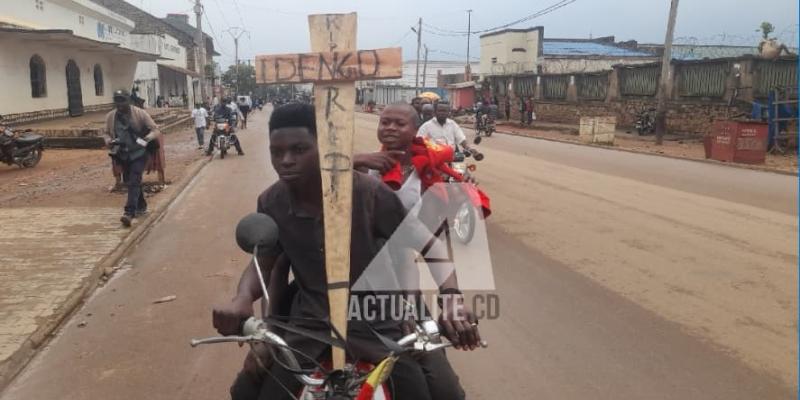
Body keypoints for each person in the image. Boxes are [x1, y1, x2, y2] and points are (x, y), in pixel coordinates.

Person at [214, 103, 459, 400]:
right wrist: (241, 299)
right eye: (277, 152)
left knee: (442, 392)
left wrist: (452, 298)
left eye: (299, 149)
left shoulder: (369, 193)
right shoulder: (271, 201)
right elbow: (263, 263)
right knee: (247, 391)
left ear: (325, 148)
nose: (286, 161)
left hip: (378, 322)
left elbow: (430, 246)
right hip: (309, 327)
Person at [104, 89, 161, 228]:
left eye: (122, 100)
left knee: (134, 179)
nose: (120, 103)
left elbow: (155, 129)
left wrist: (147, 139)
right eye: (117, 100)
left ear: (128, 100)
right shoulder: (111, 116)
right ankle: (142, 205)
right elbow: (106, 133)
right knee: (131, 181)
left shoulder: (139, 113)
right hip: (123, 154)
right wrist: (109, 141)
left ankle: (129, 213)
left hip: (139, 153)